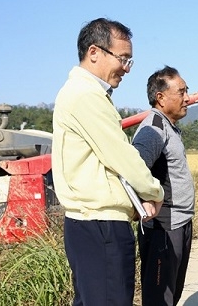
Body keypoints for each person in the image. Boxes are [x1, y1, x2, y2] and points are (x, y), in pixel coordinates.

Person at [51, 18, 164, 306]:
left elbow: (107, 164)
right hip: (100, 226)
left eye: (130, 60)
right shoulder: (85, 95)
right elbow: (122, 157)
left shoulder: (85, 94)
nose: (126, 68)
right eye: (123, 58)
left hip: (92, 225)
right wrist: (154, 192)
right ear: (94, 53)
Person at [131, 66, 195, 306]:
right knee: (160, 298)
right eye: (181, 92)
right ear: (161, 97)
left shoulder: (169, 127)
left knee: (172, 294)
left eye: (187, 91)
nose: (187, 97)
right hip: (163, 228)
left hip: (179, 223)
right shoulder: (153, 128)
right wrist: (144, 198)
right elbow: (136, 166)